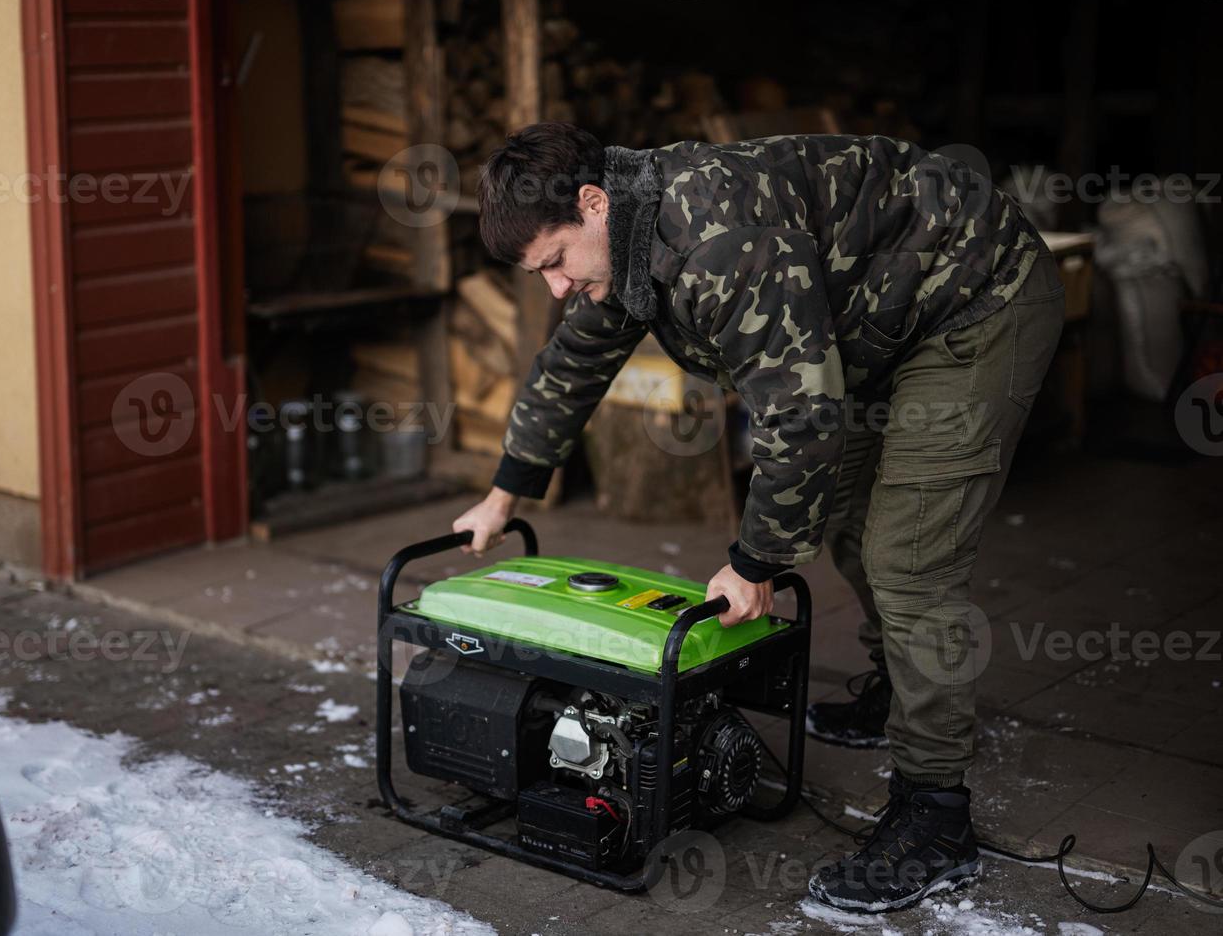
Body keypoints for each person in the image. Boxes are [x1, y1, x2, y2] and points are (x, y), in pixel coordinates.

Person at [450, 122, 1064, 912]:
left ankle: (936, 817)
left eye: (556, 262)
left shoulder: (716, 240)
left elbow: (800, 421)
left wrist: (754, 563)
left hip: (978, 301)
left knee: (909, 559)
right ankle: (898, 690)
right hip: (880, 324)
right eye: (540, 274)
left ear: (593, 203)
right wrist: (506, 492)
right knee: (842, 514)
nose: (556, 288)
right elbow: (573, 362)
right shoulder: (628, 241)